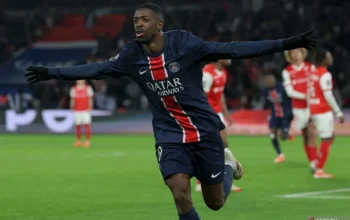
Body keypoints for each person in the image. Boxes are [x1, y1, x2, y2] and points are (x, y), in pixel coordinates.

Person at [25, 3, 316, 219]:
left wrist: (285, 44)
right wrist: (52, 72)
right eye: (136, 20)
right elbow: (97, 68)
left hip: (204, 131)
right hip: (169, 134)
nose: (138, 24)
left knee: (215, 203)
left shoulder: (185, 44)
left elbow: (234, 48)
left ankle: (229, 165)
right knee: (180, 192)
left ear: (159, 24)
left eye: (145, 20)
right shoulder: (131, 55)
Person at [195, 59, 242, 192]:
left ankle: (223, 179)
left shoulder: (223, 73)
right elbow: (200, 97)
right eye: (226, 56)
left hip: (217, 113)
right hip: (206, 114)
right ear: (219, 58)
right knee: (209, 147)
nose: (230, 59)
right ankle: (202, 181)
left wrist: (226, 114)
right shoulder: (208, 74)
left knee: (223, 145)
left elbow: (220, 96)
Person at [309, 49, 344, 179]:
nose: (331, 58)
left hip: (314, 109)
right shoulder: (325, 74)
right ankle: (319, 170)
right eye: (329, 56)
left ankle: (317, 164)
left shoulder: (313, 73)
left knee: (329, 137)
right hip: (323, 111)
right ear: (324, 59)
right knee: (327, 138)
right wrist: (338, 112)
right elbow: (328, 95)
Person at [282, 48, 318, 171]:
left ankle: (314, 163)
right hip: (298, 109)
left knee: (312, 132)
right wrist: (304, 96)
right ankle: (312, 161)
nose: (296, 54)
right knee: (306, 136)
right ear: (289, 55)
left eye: (298, 52)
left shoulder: (311, 68)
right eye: (293, 52)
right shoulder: (287, 71)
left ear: (303, 53)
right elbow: (289, 91)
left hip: (311, 106)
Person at [263, 73, 293, 163]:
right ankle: (280, 155)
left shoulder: (282, 88)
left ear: (274, 80)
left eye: (270, 80)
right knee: (272, 134)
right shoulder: (265, 91)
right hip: (274, 115)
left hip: (285, 114)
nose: (269, 83)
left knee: (283, 137)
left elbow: (290, 98)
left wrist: (291, 114)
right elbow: (267, 103)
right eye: (267, 81)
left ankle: (287, 133)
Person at [69, 80, 94, 147]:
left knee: (87, 125)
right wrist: (72, 107)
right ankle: (78, 141)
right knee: (78, 126)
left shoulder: (88, 88)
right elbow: (72, 99)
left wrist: (90, 107)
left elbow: (90, 99)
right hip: (77, 110)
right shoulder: (74, 88)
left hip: (85, 110)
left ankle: (87, 141)